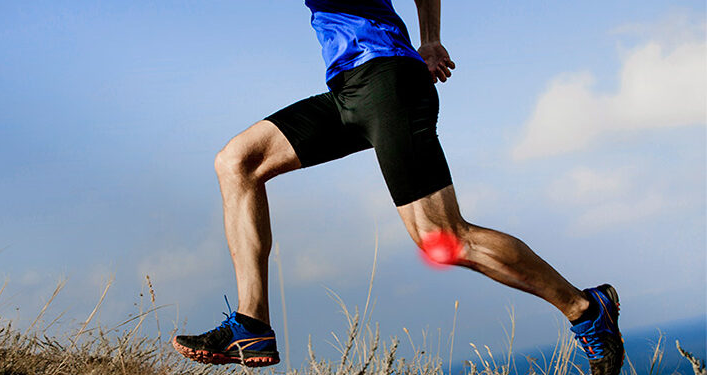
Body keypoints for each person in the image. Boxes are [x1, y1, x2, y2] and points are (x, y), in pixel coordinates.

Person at [172, 1, 625, 374]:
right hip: (348, 89)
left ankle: (586, 310)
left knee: (443, 239)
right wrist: (428, 37)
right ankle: (251, 324)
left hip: (388, 80)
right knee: (238, 162)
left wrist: (428, 38)